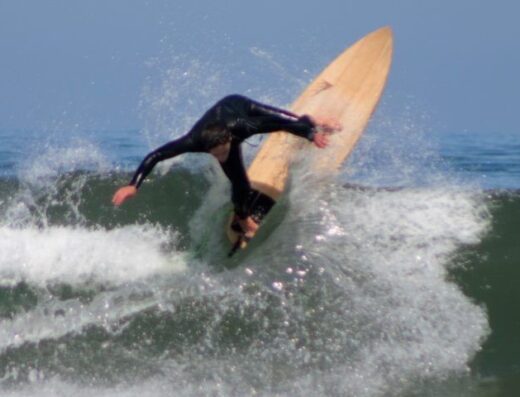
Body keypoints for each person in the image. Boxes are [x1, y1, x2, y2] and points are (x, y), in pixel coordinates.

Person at [112, 94, 340, 238]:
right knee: (241, 184)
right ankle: (242, 217)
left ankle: (314, 121)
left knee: (293, 120)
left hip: (239, 104)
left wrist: (309, 134)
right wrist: (134, 185)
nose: (220, 158)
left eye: (222, 152)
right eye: (215, 154)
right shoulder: (194, 140)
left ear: (229, 140)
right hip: (216, 127)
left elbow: (278, 124)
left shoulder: (244, 126)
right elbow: (156, 155)